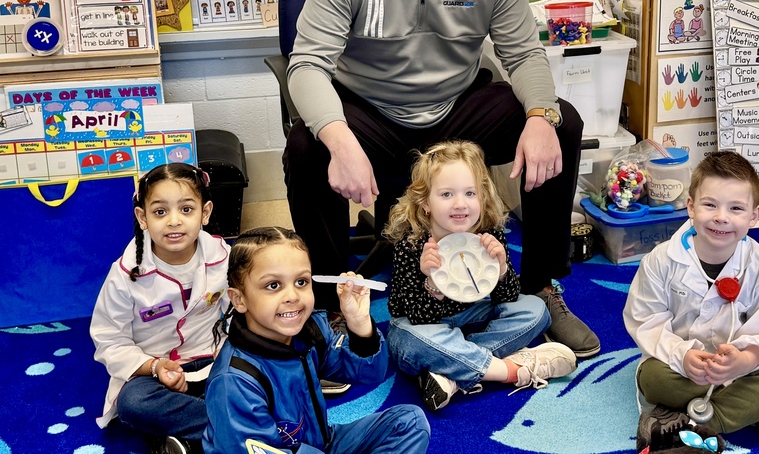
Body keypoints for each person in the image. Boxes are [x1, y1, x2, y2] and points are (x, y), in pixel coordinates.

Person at [283, 0, 597, 358]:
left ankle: (543, 285)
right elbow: (307, 64)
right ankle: (336, 300)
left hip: (458, 103)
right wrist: (339, 138)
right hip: (372, 111)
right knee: (307, 146)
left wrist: (541, 116)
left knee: (562, 122)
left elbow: (522, 52)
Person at [624, 151, 759, 451]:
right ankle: (757, 414)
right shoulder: (661, 260)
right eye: (710, 205)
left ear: (754, 216)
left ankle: (692, 426)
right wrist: (682, 356)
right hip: (680, 366)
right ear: (691, 207)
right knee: (652, 378)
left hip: (741, 368)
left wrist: (744, 360)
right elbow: (645, 320)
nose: (722, 217)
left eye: (736, 208)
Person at [383, 141, 577, 411]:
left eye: (470, 193)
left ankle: (449, 370)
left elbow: (507, 297)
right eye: (447, 194)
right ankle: (510, 370)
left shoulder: (487, 233)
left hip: (472, 314)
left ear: (482, 197)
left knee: (535, 310)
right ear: (425, 202)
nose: (460, 204)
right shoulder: (412, 244)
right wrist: (430, 281)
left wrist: (501, 270)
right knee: (406, 341)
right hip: (423, 325)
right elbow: (417, 317)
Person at [203, 226, 430, 454]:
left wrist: (359, 322)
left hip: (320, 442)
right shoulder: (233, 383)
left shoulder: (310, 330)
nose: (292, 296)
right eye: (273, 285)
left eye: (301, 282)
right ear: (239, 299)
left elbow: (369, 373)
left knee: (409, 422)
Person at [90, 163, 228, 454]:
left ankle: (183, 436)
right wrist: (153, 366)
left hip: (215, 362)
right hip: (154, 377)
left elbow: (239, 311)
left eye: (187, 209)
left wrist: (230, 344)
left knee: (265, 366)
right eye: (160, 212)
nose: (174, 221)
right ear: (143, 217)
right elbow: (108, 340)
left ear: (205, 213)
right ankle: (231, 425)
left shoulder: (224, 257)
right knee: (133, 404)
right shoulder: (125, 274)